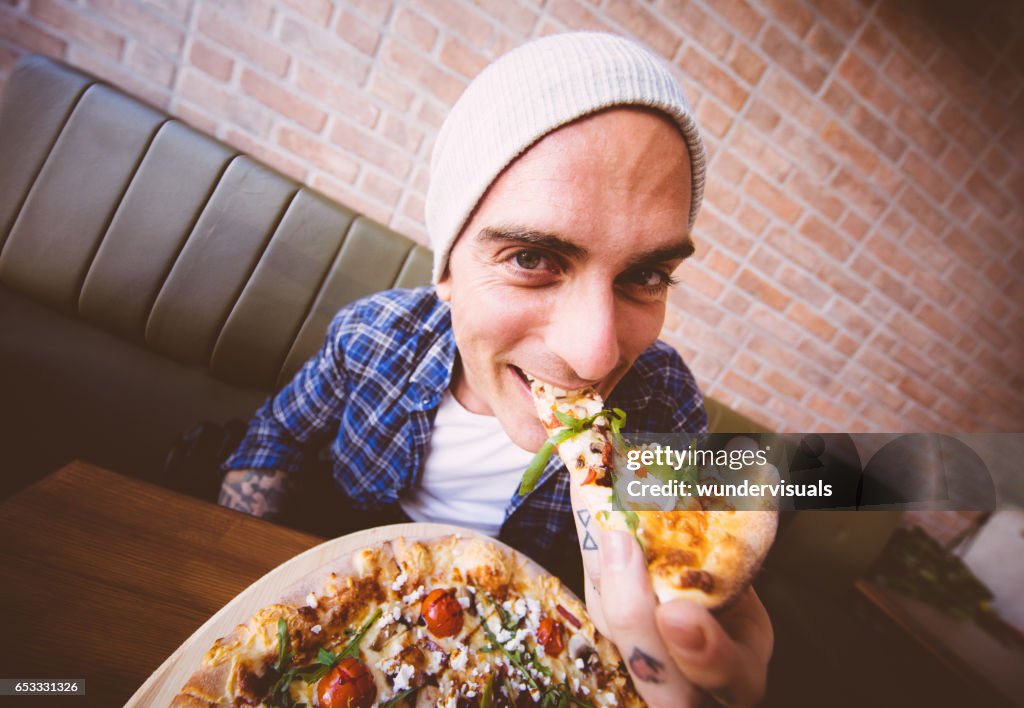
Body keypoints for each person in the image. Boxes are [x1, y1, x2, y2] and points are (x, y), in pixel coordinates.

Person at [218, 32, 772, 706]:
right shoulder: (371, 339)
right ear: (447, 270)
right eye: (532, 259)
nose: (596, 355)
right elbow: (274, 438)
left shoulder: (663, 405)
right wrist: (253, 609)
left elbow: (671, 599)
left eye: (646, 274)